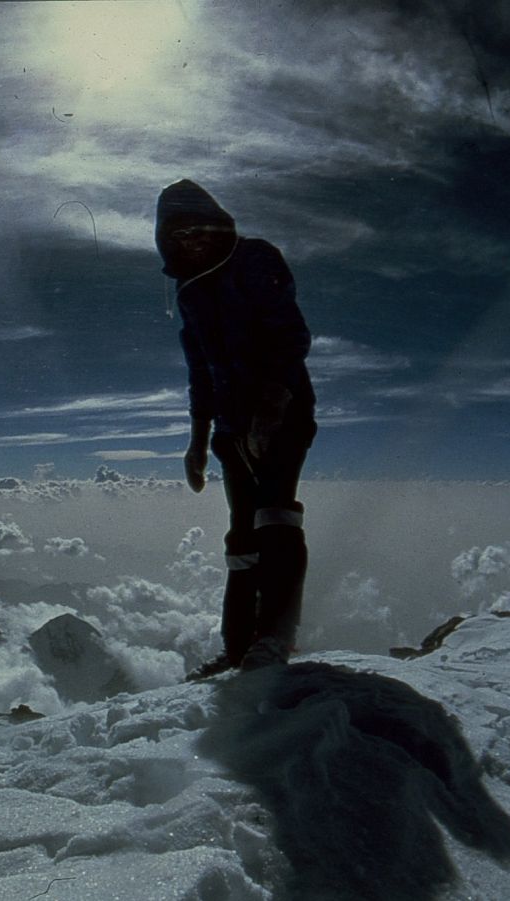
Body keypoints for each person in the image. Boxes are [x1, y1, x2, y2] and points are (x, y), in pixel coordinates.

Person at [154, 179, 317, 677]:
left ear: (219, 226)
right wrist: (198, 441)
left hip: (282, 411)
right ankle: (239, 647)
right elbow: (200, 369)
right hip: (229, 427)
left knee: (274, 515)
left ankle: (273, 641)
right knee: (242, 533)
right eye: (180, 235)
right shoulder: (189, 292)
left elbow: (290, 336)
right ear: (166, 241)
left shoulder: (255, 259)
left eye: (201, 230)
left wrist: (271, 404)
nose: (194, 242)